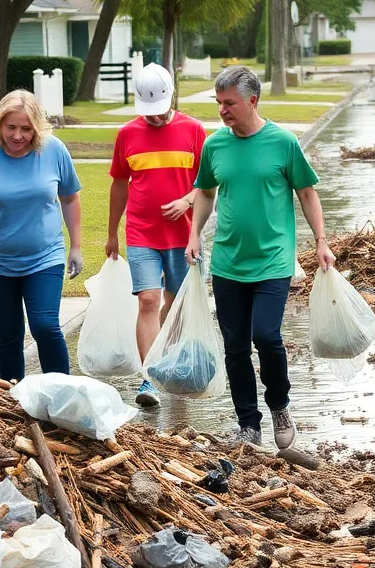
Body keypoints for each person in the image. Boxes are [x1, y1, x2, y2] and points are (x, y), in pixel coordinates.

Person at [185, 65, 335, 449]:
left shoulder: (283, 142)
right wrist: (194, 233)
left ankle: (280, 406)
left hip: (273, 259)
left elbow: (307, 193)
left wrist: (321, 240)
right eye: (219, 103)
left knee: (266, 336)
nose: (223, 110)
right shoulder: (214, 145)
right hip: (228, 261)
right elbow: (204, 192)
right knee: (235, 345)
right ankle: (248, 425)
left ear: (252, 100)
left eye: (229, 103)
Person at [0, 90, 83, 382]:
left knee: (46, 326)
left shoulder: (54, 151)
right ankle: (14, 402)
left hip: (44, 257)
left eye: (26, 128)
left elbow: (70, 198)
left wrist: (76, 246)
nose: (18, 135)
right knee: (9, 333)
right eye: (11, 127)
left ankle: (61, 397)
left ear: (37, 127)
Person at [106, 63, 206, 407]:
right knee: (148, 300)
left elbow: (208, 185)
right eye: (150, 114)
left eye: (162, 112)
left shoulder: (194, 130)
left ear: (171, 98)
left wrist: (186, 200)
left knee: (175, 305)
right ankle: (149, 379)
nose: (157, 119)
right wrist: (111, 233)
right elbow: (119, 185)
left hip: (184, 235)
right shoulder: (127, 134)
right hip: (141, 232)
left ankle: (170, 360)